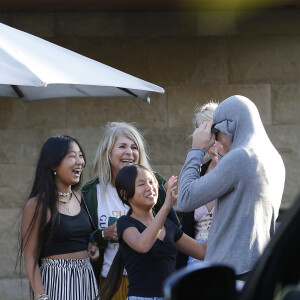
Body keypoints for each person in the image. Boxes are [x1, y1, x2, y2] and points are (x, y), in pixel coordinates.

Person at [178, 95, 285, 280]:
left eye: (217, 132)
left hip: (230, 272)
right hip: (257, 269)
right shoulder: (275, 159)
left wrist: (196, 149)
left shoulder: (241, 157)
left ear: (231, 124)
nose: (216, 140)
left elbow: (185, 199)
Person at [81, 122, 179, 299]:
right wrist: (102, 235)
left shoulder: (154, 184)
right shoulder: (90, 192)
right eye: (122, 146)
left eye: (134, 147)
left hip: (153, 285)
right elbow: (81, 237)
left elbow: (174, 229)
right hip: (110, 281)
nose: (129, 152)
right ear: (107, 152)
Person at [97, 164, 206, 300]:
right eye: (141, 184)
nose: (149, 187)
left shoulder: (167, 225)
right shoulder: (125, 223)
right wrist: (166, 207)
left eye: (151, 182)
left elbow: (202, 252)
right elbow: (142, 245)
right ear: (124, 194)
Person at [20, 135, 99, 300]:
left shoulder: (80, 197)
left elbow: (73, 237)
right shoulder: (37, 204)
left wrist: (90, 247)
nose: (80, 162)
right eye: (72, 156)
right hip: (56, 281)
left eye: (81, 155)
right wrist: (41, 296)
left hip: (86, 280)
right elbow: (31, 256)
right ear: (53, 164)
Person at [176, 101, 219, 268]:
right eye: (204, 131)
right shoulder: (197, 171)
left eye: (214, 129)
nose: (211, 136)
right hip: (195, 259)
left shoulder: (237, 168)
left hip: (228, 255)